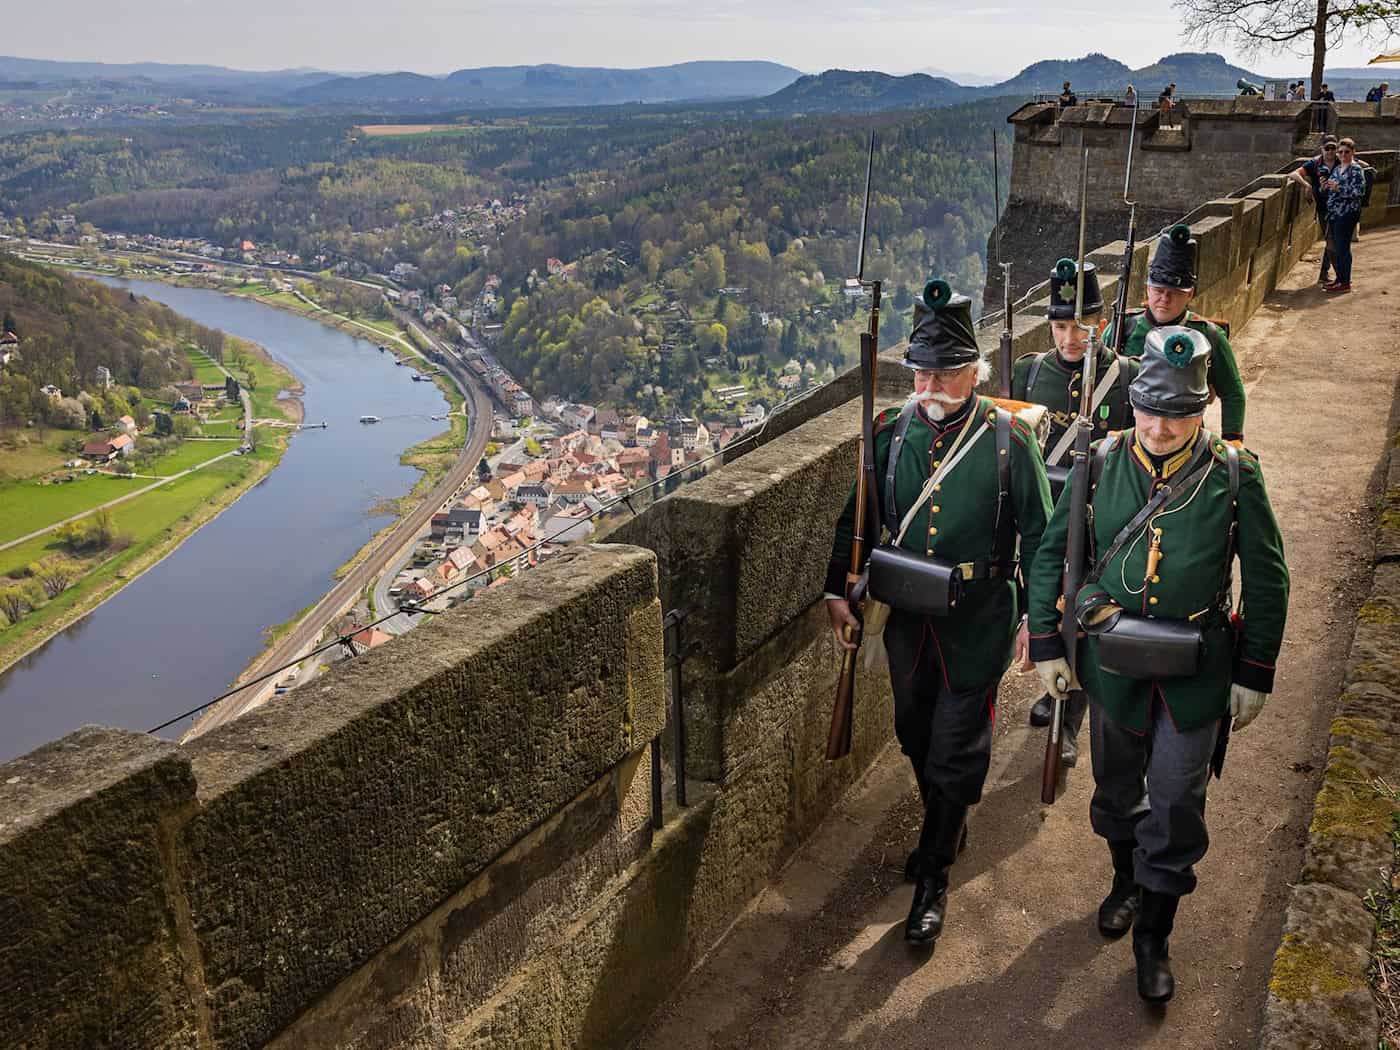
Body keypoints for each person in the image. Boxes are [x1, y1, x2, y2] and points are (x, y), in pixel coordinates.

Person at [1026, 327, 1289, 1004]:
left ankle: (1154, 937)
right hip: (1115, 672)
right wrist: (1050, 642)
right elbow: (1055, 553)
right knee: (1116, 793)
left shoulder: (1234, 474)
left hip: (1196, 676)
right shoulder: (1100, 459)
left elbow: (1266, 577)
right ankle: (1125, 882)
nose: (1159, 425)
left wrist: (1254, 670)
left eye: (1176, 412)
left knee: (1175, 805)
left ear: (1201, 410)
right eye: (1148, 408)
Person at [824, 282, 1052, 948]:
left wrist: (1038, 622)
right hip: (908, 627)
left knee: (955, 751)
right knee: (912, 733)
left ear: (973, 371)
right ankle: (947, 821)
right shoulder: (890, 433)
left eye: (946, 371)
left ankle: (934, 877)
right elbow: (855, 521)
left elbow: (1039, 537)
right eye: (922, 370)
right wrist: (838, 590)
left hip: (979, 620)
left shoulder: (1009, 440)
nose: (931, 383)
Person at [1012, 257, 1139, 764]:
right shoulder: (1029, 372)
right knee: (1041, 608)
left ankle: (1067, 717)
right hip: (1041, 519)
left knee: (1082, 615)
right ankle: (1050, 684)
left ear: (1102, 322)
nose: (1069, 338)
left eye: (1081, 326)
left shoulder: (1126, 377)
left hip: (1097, 520)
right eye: (1061, 326)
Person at [1109, 224, 1248, 445]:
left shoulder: (1207, 335)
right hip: (1126, 433)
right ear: (1147, 288)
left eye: (1174, 293)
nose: (1164, 298)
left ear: (1190, 294)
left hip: (1181, 436)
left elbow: (1233, 392)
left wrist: (1232, 439)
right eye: (1158, 291)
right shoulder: (1124, 327)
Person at [1288, 137, 1339, 282]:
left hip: (1340, 207)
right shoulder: (1315, 163)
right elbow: (1293, 173)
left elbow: (1359, 165)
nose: (1330, 151)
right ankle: (1333, 275)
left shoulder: (1341, 160)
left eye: (1332, 148)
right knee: (1331, 239)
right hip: (1323, 208)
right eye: (1327, 148)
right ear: (1322, 149)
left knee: (1333, 239)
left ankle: (1326, 274)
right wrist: (1307, 185)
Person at [1324, 137, 1367, 294]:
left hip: (1347, 214)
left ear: (1353, 152)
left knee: (1343, 248)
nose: (1342, 154)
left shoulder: (1355, 169)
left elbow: (1359, 192)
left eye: (1346, 152)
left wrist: (1338, 189)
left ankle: (1345, 282)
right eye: (1340, 152)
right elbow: (1332, 188)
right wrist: (1326, 187)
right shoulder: (1338, 168)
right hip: (1336, 213)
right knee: (1338, 248)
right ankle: (1339, 279)